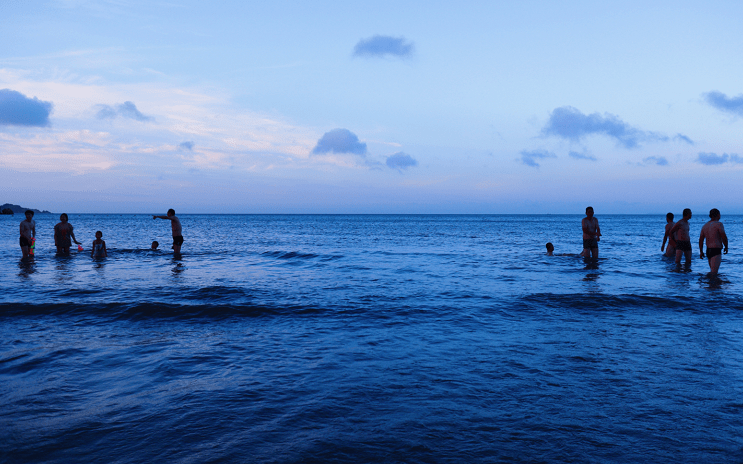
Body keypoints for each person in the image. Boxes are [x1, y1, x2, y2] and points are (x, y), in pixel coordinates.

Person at [699, 208, 728, 276]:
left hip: (708, 250)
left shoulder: (705, 226)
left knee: (712, 271)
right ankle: (712, 285)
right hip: (716, 250)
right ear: (718, 215)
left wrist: (701, 251)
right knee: (714, 273)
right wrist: (726, 247)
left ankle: (710, 285)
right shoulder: (719, 224)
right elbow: (723, 236)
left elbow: (701, 240)